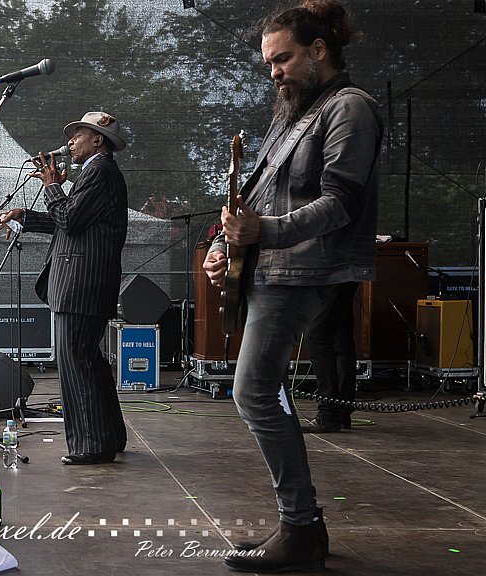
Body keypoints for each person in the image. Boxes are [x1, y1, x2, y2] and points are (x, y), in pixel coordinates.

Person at [201, 2, 381, 571]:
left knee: (253, 390)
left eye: (283, 59)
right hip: (272, 268)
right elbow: (254, 194)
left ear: (318, 50)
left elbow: (341, 202)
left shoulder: (350, 107)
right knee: (259, 388)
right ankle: (302, 527)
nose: (274, 71)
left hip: (305, 271)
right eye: (269, 63)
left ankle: (301, 527)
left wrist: (265, 232)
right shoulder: (292, 113)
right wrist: (224, 243)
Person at [0, 111, 129, 466]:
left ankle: (91, 445)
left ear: (97, 140)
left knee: (75, 364)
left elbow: (69, 218)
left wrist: (51, 186)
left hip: (81, 285)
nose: (70, 142)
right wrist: (24, 216)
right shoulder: (97, 173)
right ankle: (109, 436)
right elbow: (70, 223)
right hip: (86, 284)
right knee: (89, 362)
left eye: (78, 135)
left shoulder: (100, 172)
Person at [303, 282, 359, 433]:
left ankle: (329, 414)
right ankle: (340, 413)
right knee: (340, 338)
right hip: (345, 274)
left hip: (335, 275)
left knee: (316, 336)